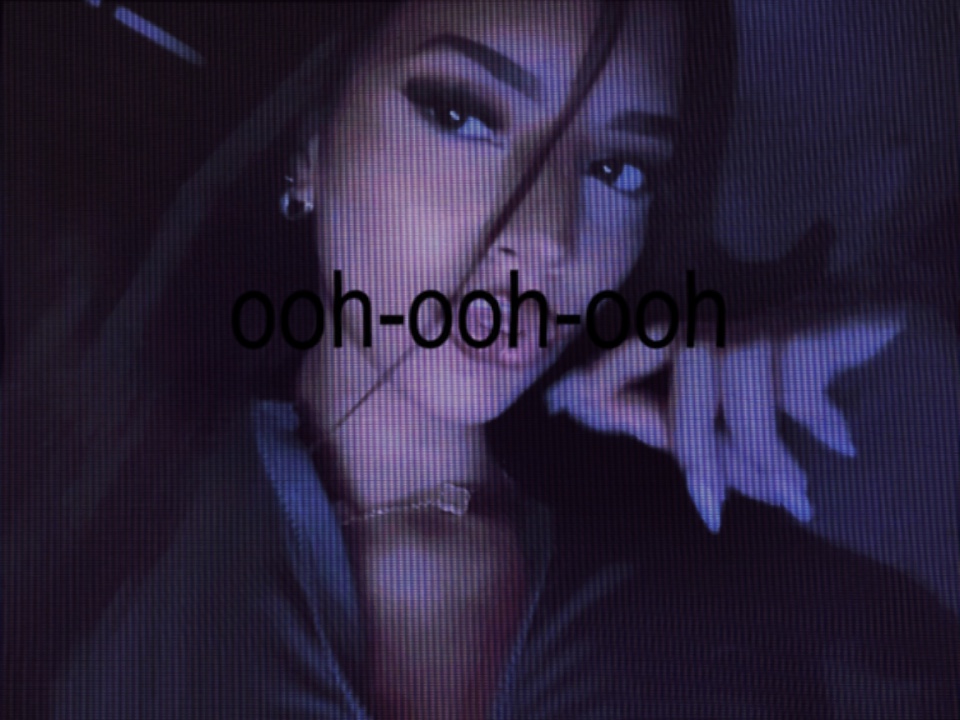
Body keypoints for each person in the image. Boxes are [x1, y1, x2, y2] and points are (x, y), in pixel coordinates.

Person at [47, 2, 958, 719]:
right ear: (308, 142)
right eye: (463, 112)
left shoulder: (702, 582)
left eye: (621, 171)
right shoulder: (96, 506)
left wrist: (910, 433)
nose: (551, 237)